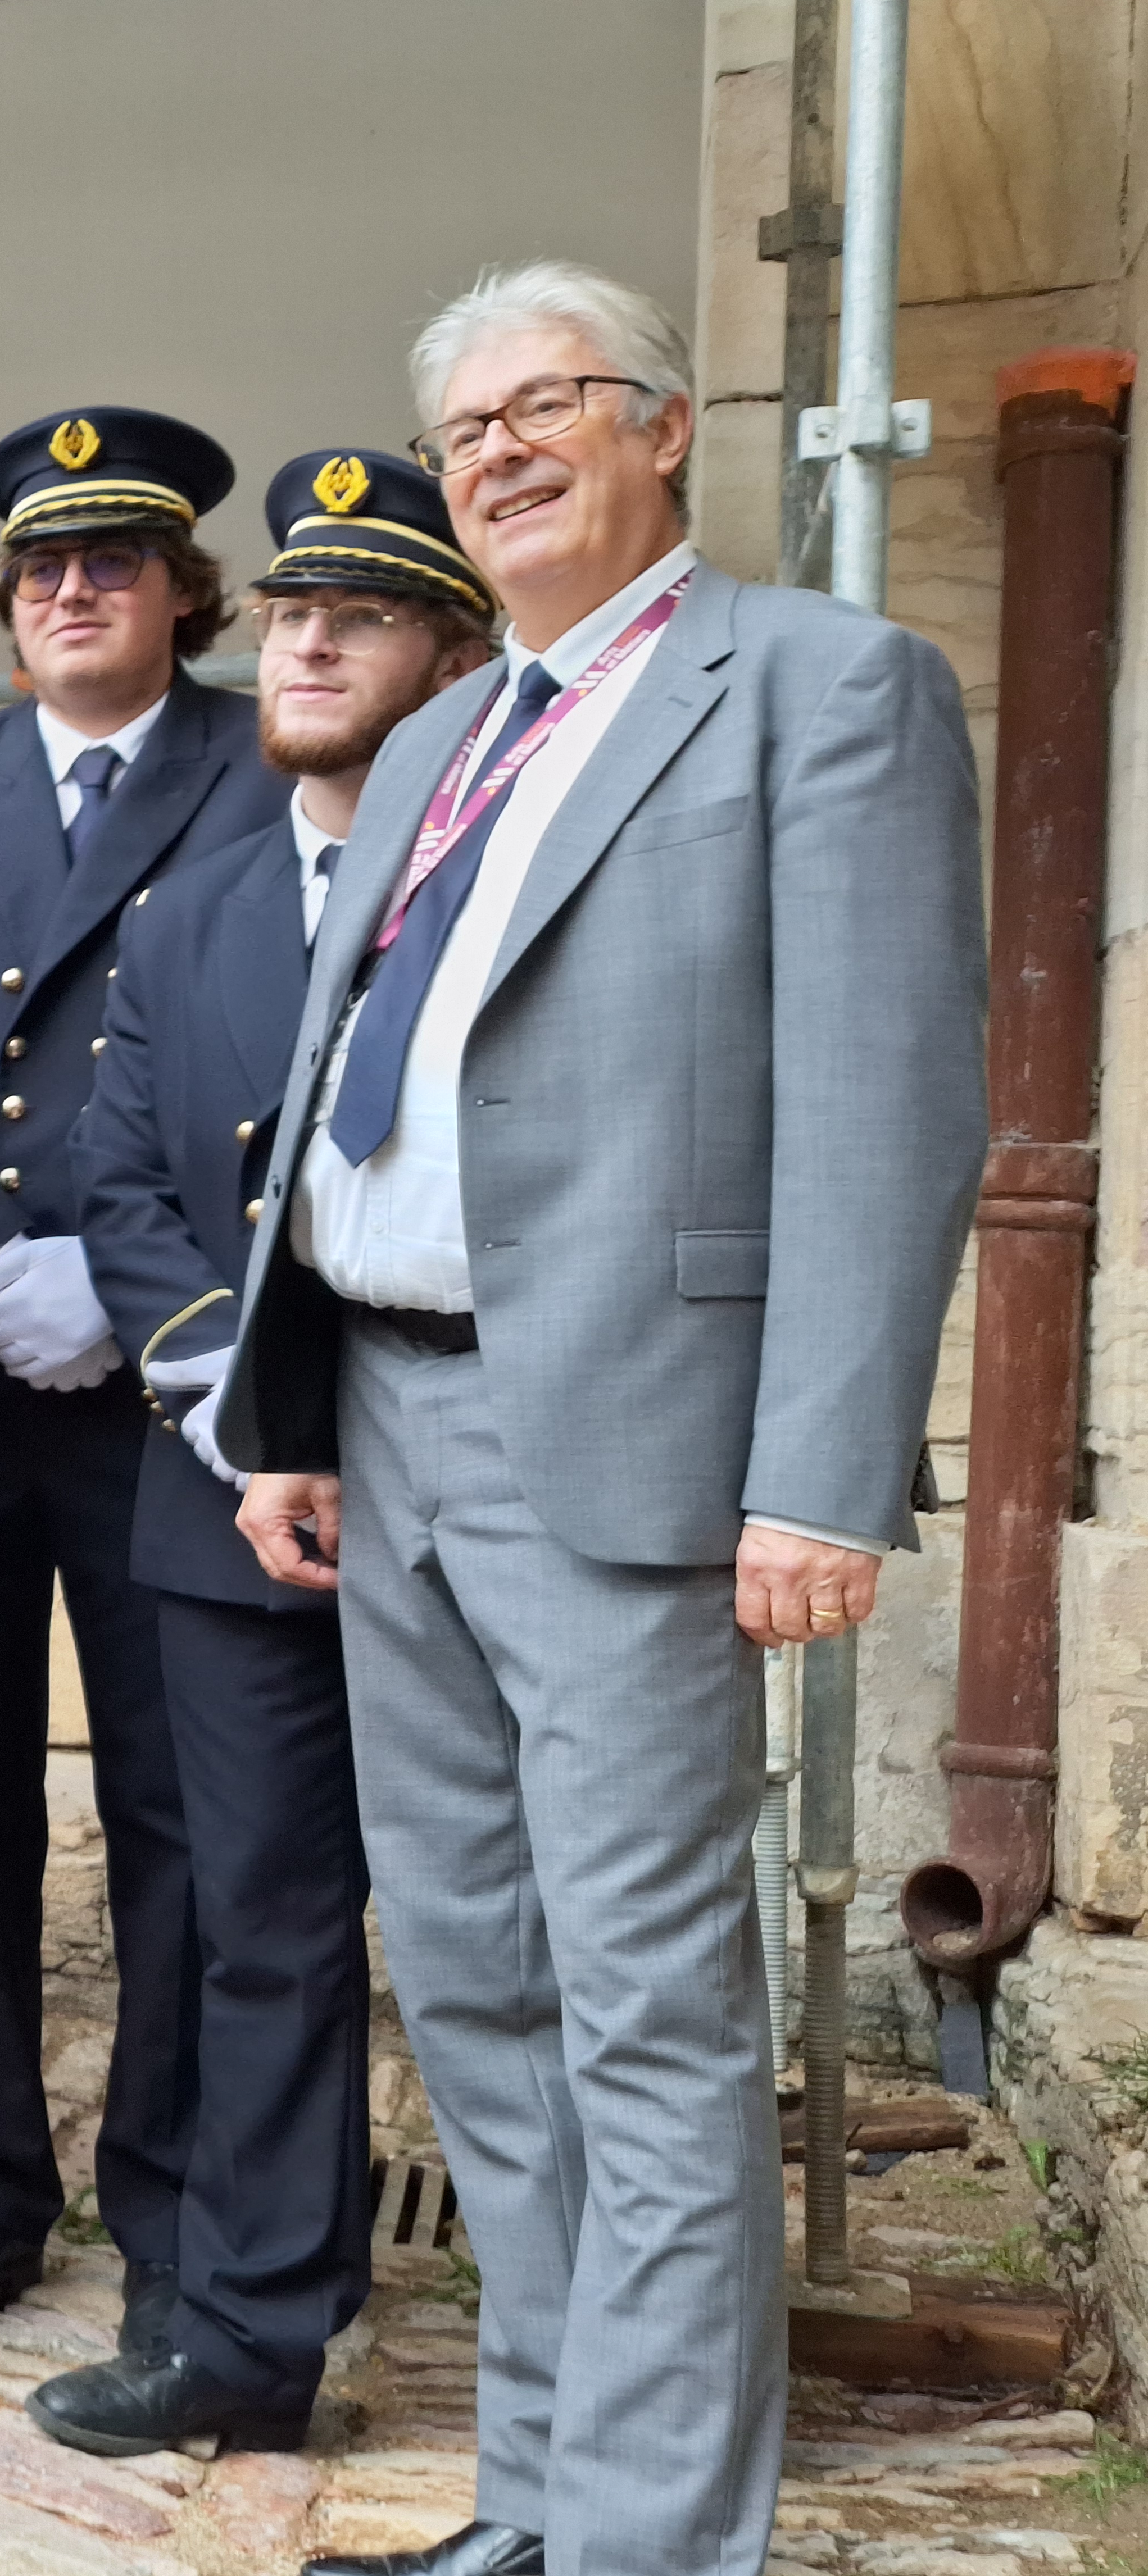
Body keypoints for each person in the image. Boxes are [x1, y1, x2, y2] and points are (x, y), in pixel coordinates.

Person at [225, 266, 981, 2576]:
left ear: (661, 426)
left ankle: (657, 2539)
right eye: (465, 427)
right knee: (474, 1986)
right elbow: (361, 1092)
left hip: (637, 1452)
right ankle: (544, 2494)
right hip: (394, 1416)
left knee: (647, 2006)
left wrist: (818, 1471)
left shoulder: (825, 688)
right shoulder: (459, 729)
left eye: (542, 403)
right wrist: (289, 1396)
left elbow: (885, 1098)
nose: (497, 451)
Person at [27, 451, 492, 2457]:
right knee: (259, 1924)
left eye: (366, 611)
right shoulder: (199, 900)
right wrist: (243, 1421)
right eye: (294, 605)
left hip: (476, 1476)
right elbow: (125, 1179)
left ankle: (570, 2368)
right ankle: (252, 2337)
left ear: (460, 656)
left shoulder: (495, 872)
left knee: (509, 1923)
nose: (308, 636)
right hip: (235, 1495)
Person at [0, 407, 284, 2340]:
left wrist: (116, 1280)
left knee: (185, 1802)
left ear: (186, 593)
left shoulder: (262, 766)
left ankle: (172, 2196)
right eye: (43, 566)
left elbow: (282, 1066)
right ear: (8, 601)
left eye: (113, 561)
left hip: (167, 1380)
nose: (74, 589)